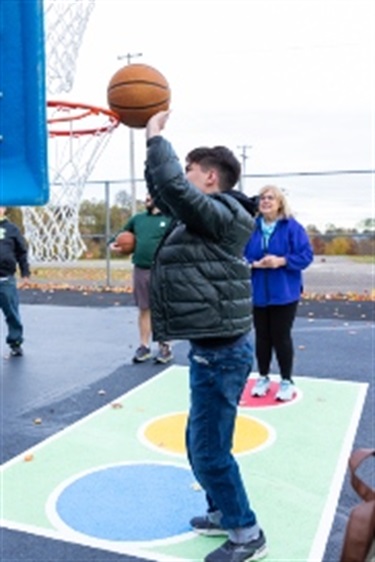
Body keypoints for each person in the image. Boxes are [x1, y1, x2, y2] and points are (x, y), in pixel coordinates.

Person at [144, 111, 267, 562]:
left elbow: (172, 187)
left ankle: (246, 532)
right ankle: (221, 512)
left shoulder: (222, 216)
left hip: (223, 354)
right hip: (211, 350)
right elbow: (167, 191)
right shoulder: (209, 215)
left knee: (211, 451)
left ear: (210, 178)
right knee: (200, 445)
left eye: (192, 170)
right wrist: (153, 152)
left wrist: (156, 137)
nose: (185, 177)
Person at [244, 185, 313, 401]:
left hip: (284, 293)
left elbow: (306, 256)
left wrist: (281, 261)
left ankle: (286, 380)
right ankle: (263, 377)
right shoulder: (250, 227)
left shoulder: (292, 227)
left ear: (280, 203)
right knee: (262, 337)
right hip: (258, 293)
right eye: (262, 198)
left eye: (270, 198)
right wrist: (253, 264)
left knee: (281, 337)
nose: (265, 201)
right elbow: (239, 254)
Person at [110, 194, 173, 364]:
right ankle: (144, 346)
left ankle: (165, 347)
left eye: (150, 196)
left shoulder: (170, 219)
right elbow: (119, 236)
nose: (146, 198)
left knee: (162, 309)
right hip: (141, 269)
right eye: (146, 196)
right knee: (144, 308)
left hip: (162, 270)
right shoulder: (138, 219)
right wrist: (114, 244)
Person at [0, 207, 30, 356]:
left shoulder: (12, 229)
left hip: (5, 280)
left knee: (11, 312)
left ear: (4, 209)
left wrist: (25, 274)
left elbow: (22, 252)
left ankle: (15, 342)